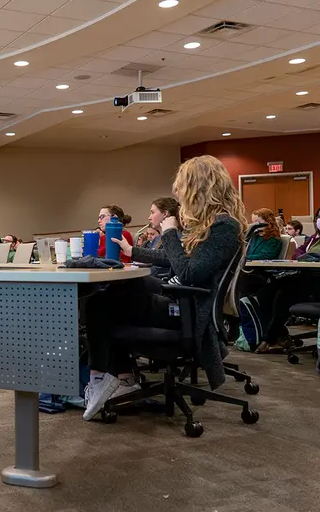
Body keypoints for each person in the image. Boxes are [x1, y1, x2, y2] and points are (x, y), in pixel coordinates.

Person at [81, 155, 247, 420]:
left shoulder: (224, 227)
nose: (177, 193)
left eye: (181, 186)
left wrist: (169, 233)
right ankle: (113, 377)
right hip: (179, 302)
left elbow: (188, 272)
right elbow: (177, 259)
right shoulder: (210, 226)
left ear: (199, 187)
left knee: (114, 294)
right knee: (103, 297)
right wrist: (132, 250)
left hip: (188, 312)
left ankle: (110, 376)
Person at [257, 203, 320, 352]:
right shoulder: (316, 238)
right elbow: (298, 253)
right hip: (307, 275)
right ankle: (279, 334)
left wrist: (315, 257)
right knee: (265, 291)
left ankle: (270, 338)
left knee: (285, 293)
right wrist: (308, 257)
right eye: (319, 216)